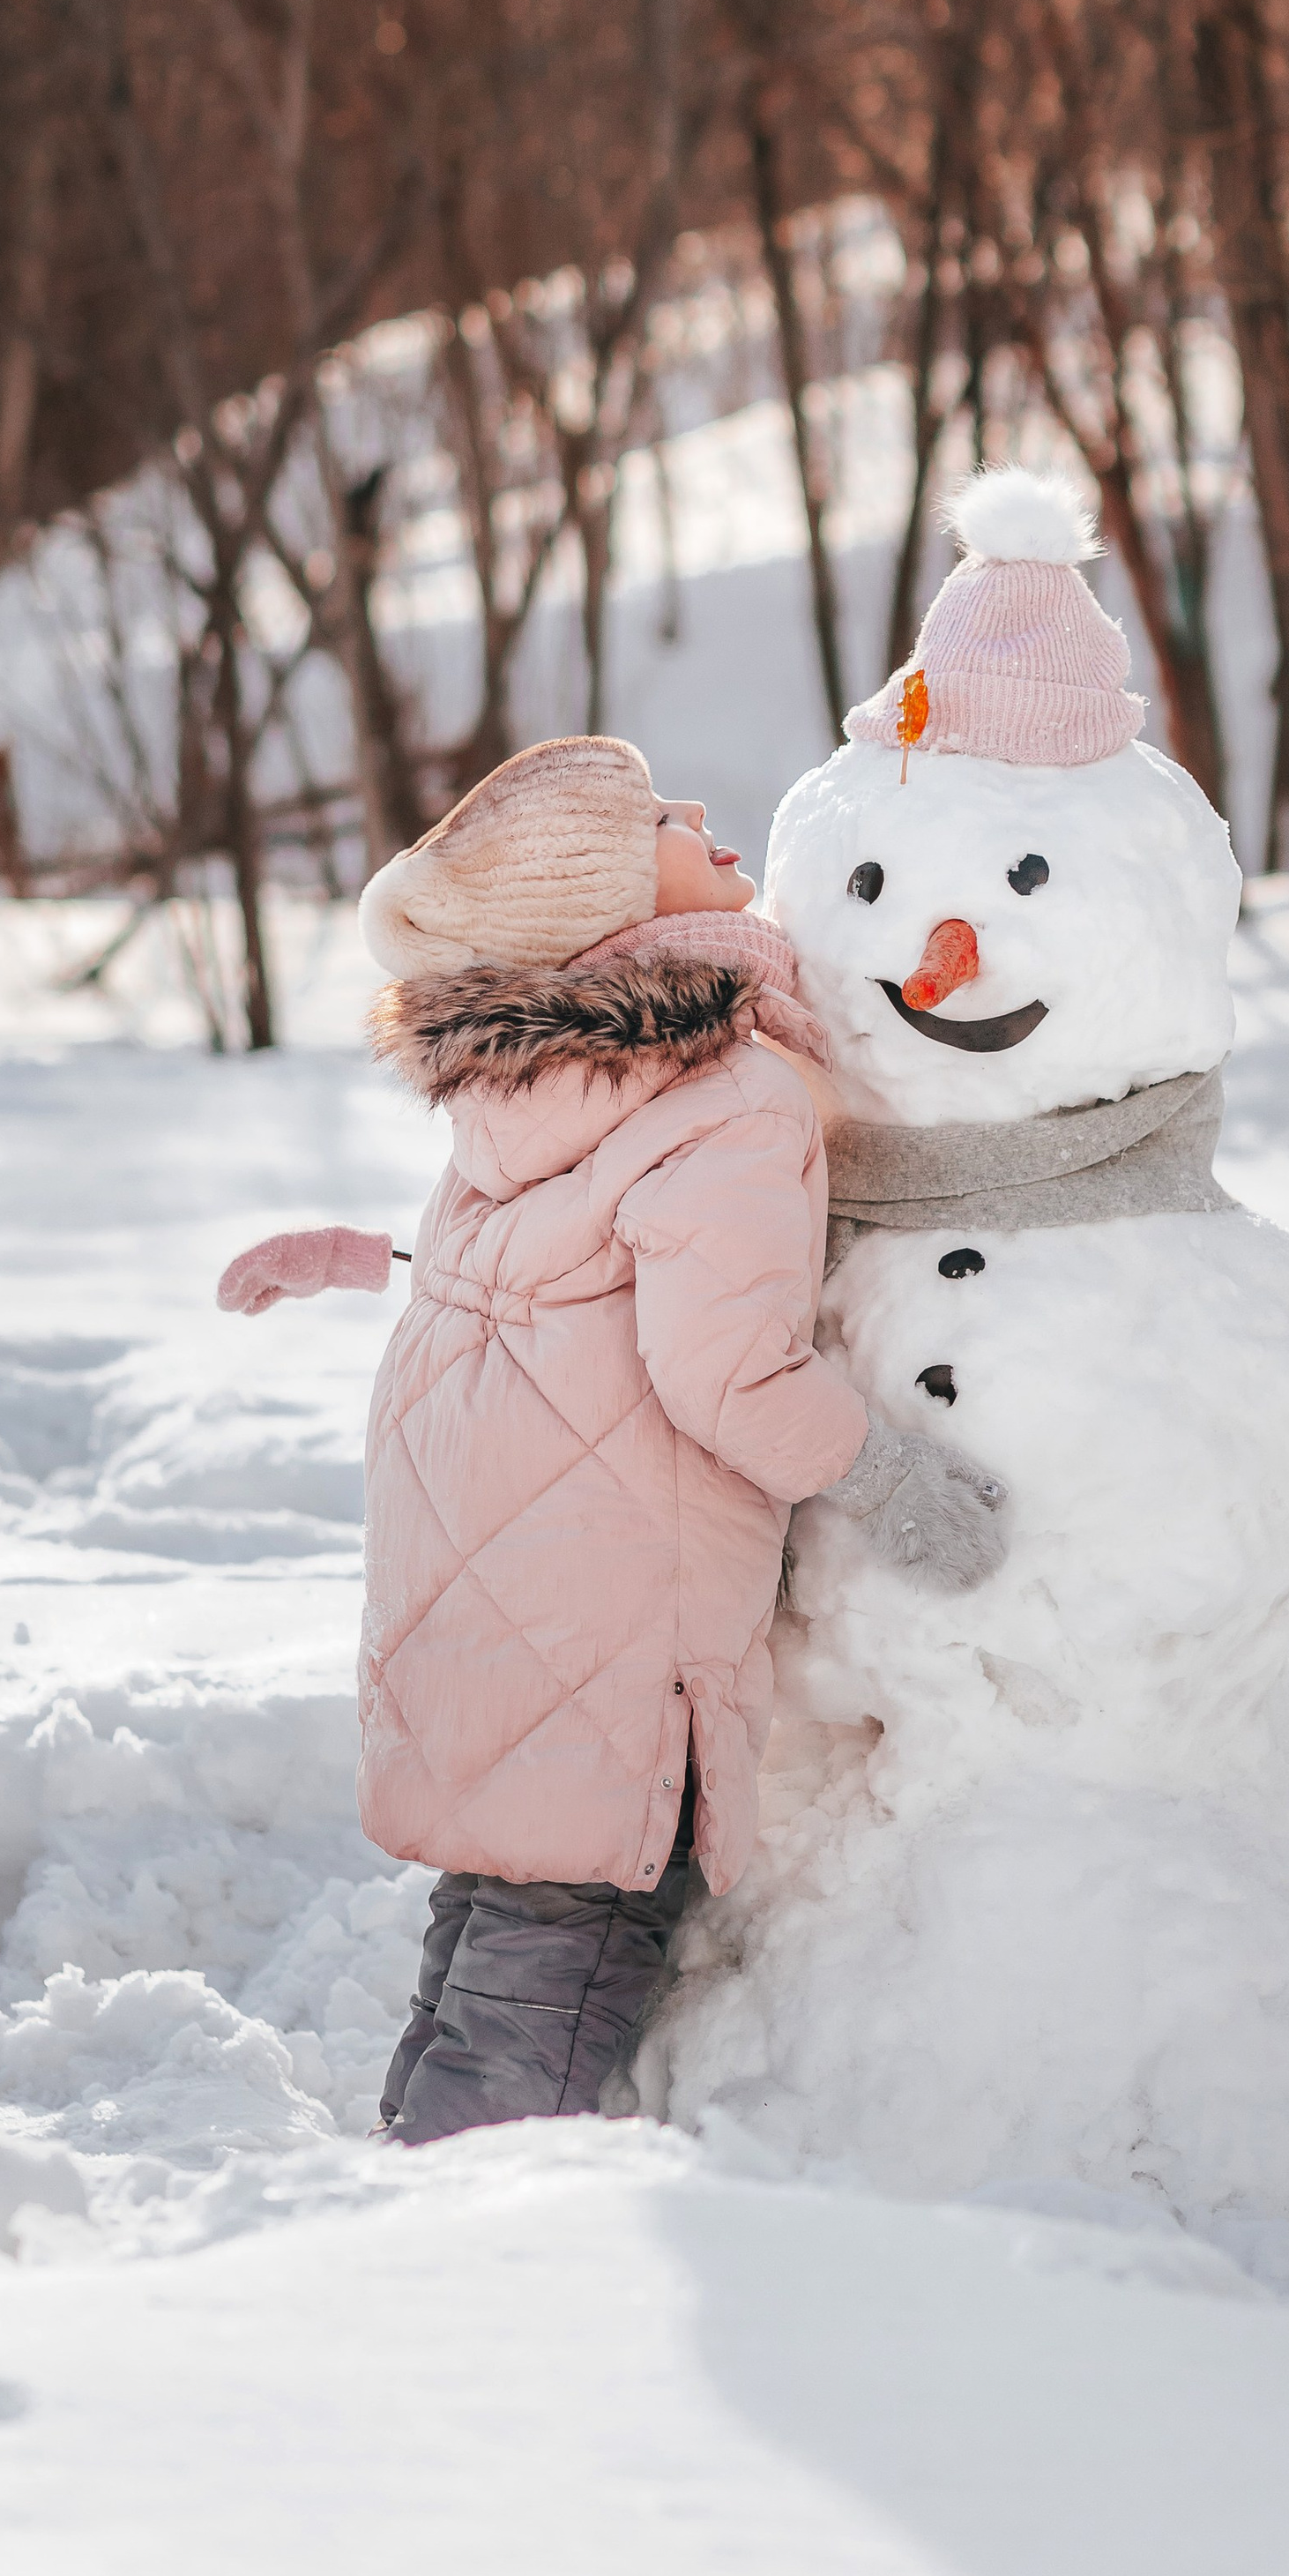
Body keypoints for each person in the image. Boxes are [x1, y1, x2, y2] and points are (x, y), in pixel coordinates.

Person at [351, 734, 1004, 2146]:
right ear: (603, 904)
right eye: (652, 815)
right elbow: (726, 1372)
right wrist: (888, 1477)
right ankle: (436, 2270)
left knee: (491, 1940)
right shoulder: (725, 1095)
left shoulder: (521, 1094)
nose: (699, 812)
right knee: (556, 1980)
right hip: (603, 1622)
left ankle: (382, 2206)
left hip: (483, 1585)